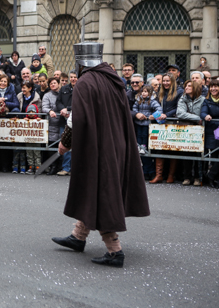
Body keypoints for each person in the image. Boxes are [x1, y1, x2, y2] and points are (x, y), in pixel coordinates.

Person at [52, 41, 150, 268]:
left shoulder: (86, 82)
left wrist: (65, 143)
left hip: (100, 147)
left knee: (102, 192)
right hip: (117, 143)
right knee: (92, 188)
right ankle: (78, 236)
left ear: (80, 63)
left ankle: (114, 250)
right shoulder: (113, 79)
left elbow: (77, 118)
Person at [149, 73, 183, 184]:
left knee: (172, 148)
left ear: (172, 81)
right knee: (159, 148)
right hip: (160, 123)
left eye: (168, 81)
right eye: (164, 81)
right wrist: (155, 114)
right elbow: (155, 105)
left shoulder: (179, 92)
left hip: (173, 122)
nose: (165, 83)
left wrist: (166, 114)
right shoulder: (160, 92)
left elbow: (178, 108)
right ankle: (159, 175)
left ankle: (171, 176)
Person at [201, 80, 219, 188]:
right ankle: (217, 180)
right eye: (211, 87)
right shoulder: (207, 100)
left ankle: (211, 176)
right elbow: (202, 112)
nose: (213, 89)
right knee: (214, 155)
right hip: (211, 131)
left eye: (216, 87)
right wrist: (205, 116)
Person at [176, 80, 205, 185]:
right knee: (186, 152)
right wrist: (197, 118)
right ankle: (187, 177)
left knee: (198, 153)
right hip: (187, 129)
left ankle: (198, 177)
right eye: (186, 86)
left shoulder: (202, 100)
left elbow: (204, 112)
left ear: (195, 88)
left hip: (199, 130)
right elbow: (180, 113)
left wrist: (198, 118)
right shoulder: (182, 99)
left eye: (189, 86)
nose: (186, 88)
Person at [133, 85, 162, 180]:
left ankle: (143, 146)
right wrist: (137, 114)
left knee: (145, 137)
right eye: (143, 91)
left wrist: (153, 116)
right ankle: (139, 146)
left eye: (146, 91)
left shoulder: (152, 101)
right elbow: (134, 109)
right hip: (139, 123)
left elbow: (159, 110)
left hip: (147, 124)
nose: (144, 93)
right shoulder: (138, 100)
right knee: (139, 136)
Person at [14, 80, 42, 174]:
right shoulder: (19, 96)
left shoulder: (36, 97)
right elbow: (18, 107)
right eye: (22, 88)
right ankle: (29, 166)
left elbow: (39, 111)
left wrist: (38, 118)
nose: (23, 89)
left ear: (30, 88)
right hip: (23, 124)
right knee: (28, 149)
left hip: (33, 126)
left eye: (25, 87)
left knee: (36, 150)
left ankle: (38, 167)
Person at [55, 70, 77, 176]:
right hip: (64, 121)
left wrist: (68, 109)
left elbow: (80, 104)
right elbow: (58, 102)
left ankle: (76, 168)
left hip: (76, 121)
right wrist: (62, 109)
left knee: (77, 146)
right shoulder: (64, 89)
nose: (73, 79)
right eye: (71, 77)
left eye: (75, 77)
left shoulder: (81, 89)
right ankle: (66, 168)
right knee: (65, 144)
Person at [42, 77, 62, 175]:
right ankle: (53, 166)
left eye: (54, 83)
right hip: (52, 123)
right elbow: (44, 107)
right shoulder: (47, 95)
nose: (53, 85)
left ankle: (61, 166)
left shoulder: (63, 93)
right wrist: (50, 111)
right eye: (51, 84)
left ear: (58, 84)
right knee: (51, 146)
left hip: (62, 123)